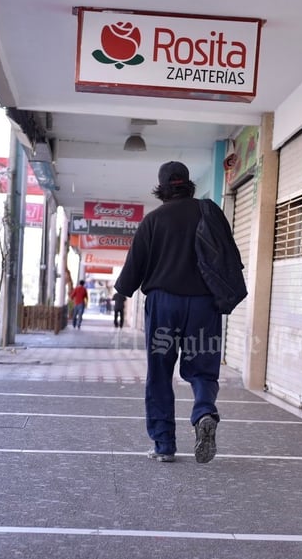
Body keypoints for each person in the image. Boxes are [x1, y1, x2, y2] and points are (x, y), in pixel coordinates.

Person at [115, 160, 233, 464]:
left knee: (160, 372)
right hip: (204, 305)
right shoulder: (209, 212)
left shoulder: (153, 221)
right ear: (189, 184)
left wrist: (122, 291)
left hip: (164, 304)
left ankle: (164, 445)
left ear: (162, 188)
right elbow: (228, 253)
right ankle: (204, 411)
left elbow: (132, 273)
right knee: (202, 368)